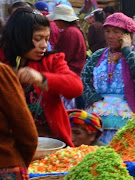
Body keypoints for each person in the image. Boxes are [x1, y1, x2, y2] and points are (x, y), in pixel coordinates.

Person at [0, 9, 83, 146]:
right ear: (20, 37)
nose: (44, 45)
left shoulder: (51, 61)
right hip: (10, 144)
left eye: (46, 39)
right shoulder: (3, 63)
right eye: (37, 39)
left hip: (50, 141)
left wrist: (42, 79)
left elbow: (76, 87)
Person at [81, 12, 135, 144]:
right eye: (107, 31)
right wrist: (91, 97)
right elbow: (85, 78)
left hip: (128, 116)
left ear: (128, 35)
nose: (110, 36)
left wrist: (127, 51)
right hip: (97, 116)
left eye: (116, 32)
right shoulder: (98, 55)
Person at [48, 4, 87, 76]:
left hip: (69, 73)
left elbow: (64, 56)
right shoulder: (73, 30)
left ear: (60, 20)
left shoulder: (70, 33)